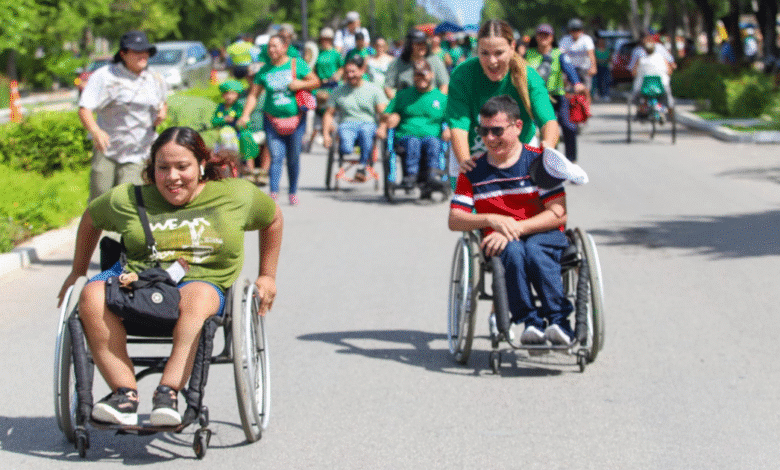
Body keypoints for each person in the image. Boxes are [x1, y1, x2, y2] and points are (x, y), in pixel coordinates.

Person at [57, 126, 283, 427]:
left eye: (182, 167)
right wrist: (78, 271)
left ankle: (168, 392)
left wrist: (267, 275)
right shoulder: (129, 199)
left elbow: (273, 218)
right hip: (139, 283)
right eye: (163, 168)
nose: (172, 177)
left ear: (201, 165)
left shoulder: (235, 194)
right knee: (91, 294)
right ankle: (124, 393)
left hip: (202, 287)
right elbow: (91, 219)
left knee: (197, 296)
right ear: (152, 169)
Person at [448, 95, 574, 346]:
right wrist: (492, 220)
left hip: (542, 232)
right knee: (514, 252)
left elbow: (558, 212)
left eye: (497, 130)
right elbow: (455, 219)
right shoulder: (473, 171)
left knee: (534, 251)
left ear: (518, 127)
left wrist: (516, 227)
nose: (490, 138)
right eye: (483, 131)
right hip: (500, 239)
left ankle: (559, 322)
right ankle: (531, 323)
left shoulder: (540, 161)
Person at [445, 19, 559, 179]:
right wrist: (465, 161)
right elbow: (458, 126)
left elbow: (548, 120)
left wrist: (548, 148)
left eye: (499, 53)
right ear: (477, 50)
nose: (492, 61)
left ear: (512, 48)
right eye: (484, 53)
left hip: (518, 155)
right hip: (472, 153)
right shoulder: (462, 75)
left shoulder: (529, 77)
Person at [78, 30, 168, 202]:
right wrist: (95, 131)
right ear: (123, 54)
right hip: (107, 147)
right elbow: (84, 108)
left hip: (139, 149)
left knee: (130, 201)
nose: (143, 56)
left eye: (145, 51)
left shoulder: (155, 78)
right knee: (100, 201)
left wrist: (162, 112)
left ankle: (126, 228)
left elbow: (162, 101)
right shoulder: (105, 76)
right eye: (136, 51)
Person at [237, 34, 320, 205]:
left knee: (293, 157)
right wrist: (245, 114)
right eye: (269, 47)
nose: (272, 50)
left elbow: (315, 81)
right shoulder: (264, 70)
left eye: (275, 46)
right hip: (272, 119)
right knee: (276, 156)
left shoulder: (296, 64)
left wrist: (301, 84)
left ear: (284, 47)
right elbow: (253, 95)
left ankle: (292, 191)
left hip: (296, 119)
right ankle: (273, 192)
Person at [376, 60, 450, 189]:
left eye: (424, 75)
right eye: (417, 75)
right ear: (413, 76)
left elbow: (452, 119)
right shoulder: (403, 95)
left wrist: (449, 128)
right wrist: (391, 118)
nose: (421, 78)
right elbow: (385, 114)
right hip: (406, 136)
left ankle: (432, 175)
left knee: (433, 142)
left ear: (431, 75)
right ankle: (411, 175)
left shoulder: (441, 98)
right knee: (413, 142)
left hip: (432, 136)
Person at [525, 23, 586, 162]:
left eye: (547, 35)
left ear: (552, 38)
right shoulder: (529, 54)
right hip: (536, 98)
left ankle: (571, 161)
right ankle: (549, 162)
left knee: (569, 127)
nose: (543, 38)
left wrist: (576, 83)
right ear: (536, 37)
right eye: (540, 35)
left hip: (558, 97)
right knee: (540, 131)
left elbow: (569, 70)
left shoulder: (559, 54)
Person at [322, 55, 388, 182]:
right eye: (347, 72)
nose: (350, 75)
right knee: (345, 147)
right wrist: (326, 134)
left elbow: (383, 113)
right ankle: (349, 150)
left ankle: (362, 166)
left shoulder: (373, 90)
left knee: (366, 132)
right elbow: (329, 113)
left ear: (362, 71)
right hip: (347, 123)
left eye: (353, 72)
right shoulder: (338, 90)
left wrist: (382, 127)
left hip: (368, 123)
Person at [384, 29, 449, 99]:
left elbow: (444, 85)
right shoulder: (397, 63)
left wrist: (438, 103)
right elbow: (388, 87)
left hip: (430, 104)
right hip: (406, 106)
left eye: (424, 43)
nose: (422, 46)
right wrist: (398, 104)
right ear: (409, 45)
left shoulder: (435, 61)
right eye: (418, 44)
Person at [211, 79, 259, 174]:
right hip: (224, 137)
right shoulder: (220, 107)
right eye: (226, 93)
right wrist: (223, 119)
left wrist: (237, 121)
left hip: (238, 135)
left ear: (237, 95)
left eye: (232, 93)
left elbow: (245, 122)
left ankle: (250, 171)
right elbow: (213, 121)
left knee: (246, 145)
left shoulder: (239, 107)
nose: (229, 96)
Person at [630, 36, 675, 112]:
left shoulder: (641, 60)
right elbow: (669, 71)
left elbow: (633, 72)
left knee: (636, 94)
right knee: (668, 95)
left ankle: (642, 108)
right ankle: (670, 111)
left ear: (645, 50)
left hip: (644, 88)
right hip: (661, 86)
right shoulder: (662, 59)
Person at [558, 19, 596, 100]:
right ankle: (570, 106)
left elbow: (591, 54)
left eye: (578, 30)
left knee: (586, 90)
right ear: (570, 31)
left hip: (584, 69)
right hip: (570, 69)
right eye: (573, 30)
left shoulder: (586, 39)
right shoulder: (565, 40)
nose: (575, 32)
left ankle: (587, 109)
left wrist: (593, 67)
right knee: (566, 88)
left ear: (581, 30)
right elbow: (559, 54)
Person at [593, 36, 611, 101]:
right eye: (600, 41)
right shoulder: (595, 50)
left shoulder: (607, 50)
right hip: (598, 67)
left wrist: (605, 61)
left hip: (605, 67)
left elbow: (609, 58)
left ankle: (606, 94)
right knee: (598, 81)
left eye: (602, 41)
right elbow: (594, 58)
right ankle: (599, 94)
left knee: (606, 81)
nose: (601, 42)